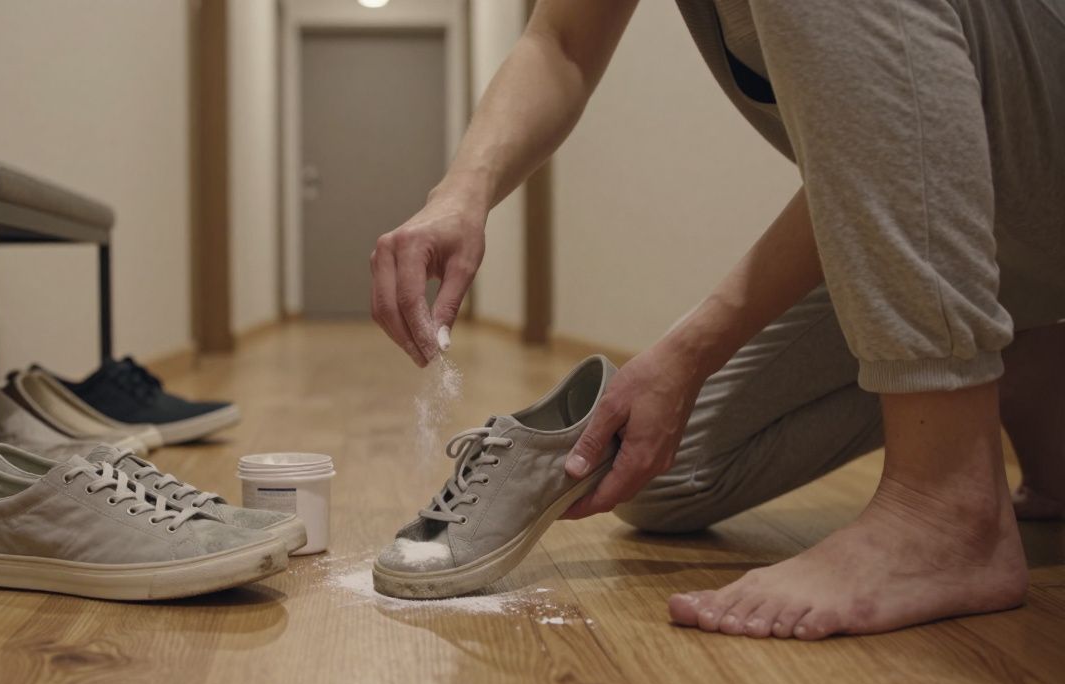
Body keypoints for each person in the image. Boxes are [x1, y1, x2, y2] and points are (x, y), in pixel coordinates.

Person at [369, 0, 1064, 640]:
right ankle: (1025, 349)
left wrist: (693, 347)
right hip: (976, 231)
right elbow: (562, 44)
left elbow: (914, 129)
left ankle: (945, 506)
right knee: (660, 479)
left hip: (1034, 165)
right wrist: (461, 191)